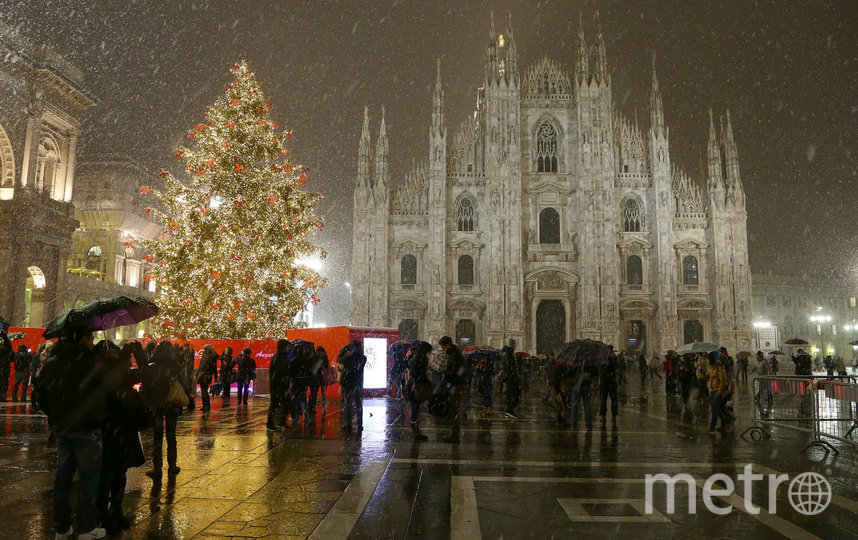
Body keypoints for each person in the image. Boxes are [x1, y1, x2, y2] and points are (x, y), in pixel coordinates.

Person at [38, 321, 107, 540]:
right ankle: (86, 528)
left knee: (63, 477)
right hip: (87, 427)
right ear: (84, 338)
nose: (92, 341)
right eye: (91, 337)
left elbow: (41, 397)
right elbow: (105, 393)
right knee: (88, 478)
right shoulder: (91, 361)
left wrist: (56, 416)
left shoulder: (52, 363)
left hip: (63, 428)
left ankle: (61, 527)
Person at [97, 340, 147, 535]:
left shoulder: (115, 373)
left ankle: (115, 510)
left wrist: (136, 354)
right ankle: (104, 514)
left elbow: (143, 372)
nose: (113, 354)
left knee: (118, 473)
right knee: (109, 474)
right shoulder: (100, 372)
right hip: (109, 429)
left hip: (119, 428)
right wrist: (131, 354)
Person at [141, 340, 184, 480]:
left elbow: (145, 387)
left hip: (157, 406)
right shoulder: (176, 367)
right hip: (172, 405)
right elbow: (184, 385)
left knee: (157, 436)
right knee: (171, 435)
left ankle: (157, 468)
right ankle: (172, 466)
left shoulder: (152, 366)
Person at [440, 336, 467, 442]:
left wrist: (445, 374)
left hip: (456, 385)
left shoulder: (455, 355)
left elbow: (454, 371)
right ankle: (454, 433)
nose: (442, 349)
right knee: (453, 410)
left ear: (447, 345)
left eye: (443, 347)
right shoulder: (454, 353)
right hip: (456, 385)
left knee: (454, 410)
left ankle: (455, 435)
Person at [405, 342, 431, 441]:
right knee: (415, 409)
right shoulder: (420, 359)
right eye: (429, 351)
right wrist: (425, 380)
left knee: (415, 409)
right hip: (416, 386)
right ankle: (416, 432)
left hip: (414, 385)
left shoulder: (416, 358)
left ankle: (417, 431)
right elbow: (417, 374)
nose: (429, 353)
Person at [339, 340, 367, 433]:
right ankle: (360, 424)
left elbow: (340, 360)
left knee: (348, 404)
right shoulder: (363, 358)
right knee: (358, 403)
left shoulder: (349, 358)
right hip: (358, 382)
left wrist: (345, 350)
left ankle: (348, 425)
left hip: (348, 382)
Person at [703, 350, 731, 433]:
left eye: (709, 358)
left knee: (715, 410)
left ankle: (712, 428)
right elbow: (708, 378)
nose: (708, 360)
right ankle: (726, 420)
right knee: (716, 409)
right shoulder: (710, 367)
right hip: (711, 390)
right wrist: (701, 372)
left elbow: (723, 381)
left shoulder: (720, 367)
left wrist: (719, 391)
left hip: (717, 391)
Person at [267, 340, 292, 430]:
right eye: (287, 346)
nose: (289, 348)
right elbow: (277, 372)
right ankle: (271, 424)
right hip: (278, 385)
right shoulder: (279, 358)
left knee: (285, 404)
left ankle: (281, 422)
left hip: (281, 385)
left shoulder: (282, 357)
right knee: (275, 404)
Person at [568, 364, 594, 430]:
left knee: (574, 404)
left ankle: (573, 423)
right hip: (586, 385)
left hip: (577, 384)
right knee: (587, 404)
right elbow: (594, 372)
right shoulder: (590, 361)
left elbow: (570, 372)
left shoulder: (575, 359)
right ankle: (588, 424)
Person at [600, 348, 621, 425]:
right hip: (612, 381)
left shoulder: (602, 358)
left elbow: (600, 370)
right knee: (614, 399)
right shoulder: (615, 358)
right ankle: (614, 416)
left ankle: (603, 416)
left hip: (604, 382)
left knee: (603, 399)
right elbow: (618, 368)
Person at [197, 344, 219, 411]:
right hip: (205, 374)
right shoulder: (207, 356)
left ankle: (206, 405)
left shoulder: (210, 356)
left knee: (204, 390)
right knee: (203, 390)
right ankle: (205, 405)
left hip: (206, 374)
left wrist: (215, 376)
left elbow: (213, 367)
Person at [502, 346, 522, 419]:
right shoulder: (510, 360)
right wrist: (515, 376)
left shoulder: (507, 359)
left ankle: (510, 411)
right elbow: (511, 371)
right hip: (512, 381)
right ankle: (509, 411)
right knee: (516, 397)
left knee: (513, 397)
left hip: (511, 380)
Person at [0, 334, 12, 401]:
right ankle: (2, 397)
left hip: (3, 370)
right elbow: (9, 346)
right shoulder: (5, 351)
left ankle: (2, 397)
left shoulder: (4, 351)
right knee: (4, 384)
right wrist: (4, 336)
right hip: (4, 370)